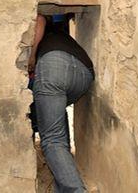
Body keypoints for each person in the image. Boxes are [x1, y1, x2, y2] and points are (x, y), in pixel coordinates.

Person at [28, 13, 95, 193]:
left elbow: (39, 19)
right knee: (57, 130)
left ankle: (76, 190)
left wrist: (32, 56)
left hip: (52, 67)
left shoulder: (42, 28)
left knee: (51, 140)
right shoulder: (60, 33)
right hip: (84, 73)